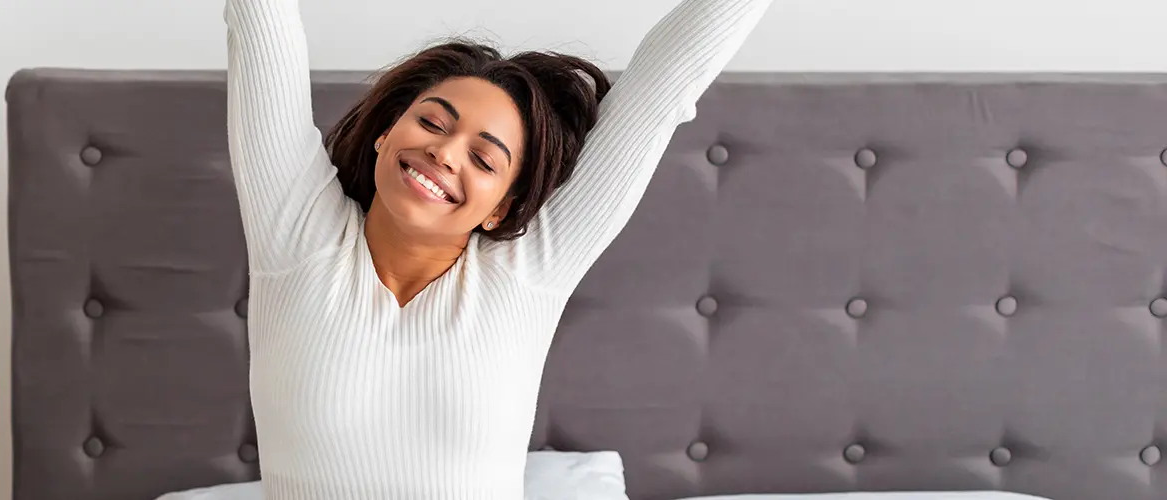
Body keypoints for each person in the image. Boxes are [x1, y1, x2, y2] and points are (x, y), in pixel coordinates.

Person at [224, 0, 773, 497]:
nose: (444, 153)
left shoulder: (527, 273)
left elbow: (663, 90)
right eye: (433, 122)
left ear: (501, 208)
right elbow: (261, 21)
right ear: (386, 134)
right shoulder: (296, 239)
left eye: (485, 160)